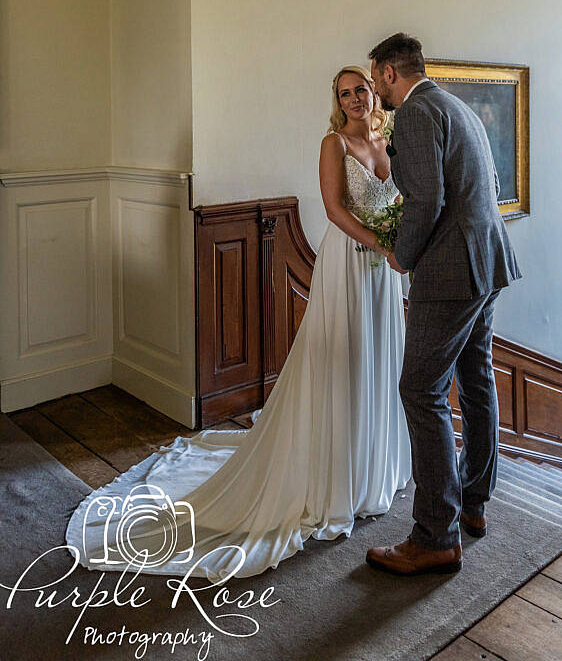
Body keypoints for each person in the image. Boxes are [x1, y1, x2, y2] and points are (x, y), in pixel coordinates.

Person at [65, 66, 411, 582]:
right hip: (352, 264)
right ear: (337, 102)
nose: (356, 98)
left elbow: (402, 198)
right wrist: (381, 242)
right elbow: (336, 210)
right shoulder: (332, 143)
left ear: (373, 90)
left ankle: (372, 468)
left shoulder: (389, 137)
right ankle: (337, 477)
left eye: (361, 88)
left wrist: (398, 237)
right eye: (345, 93)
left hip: (385, 271)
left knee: (378, 359)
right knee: (343, 359)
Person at [366, 33, 522, 576]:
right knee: (476, 379)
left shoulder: (414, 112)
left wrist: (403, 255)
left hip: (451, 272)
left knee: (421, 388)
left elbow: (426, 199)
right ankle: (473, 503)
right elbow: (484, 182)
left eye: (375, 79)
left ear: (389, 73)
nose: (377, 91)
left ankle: (435, 534)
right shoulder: (455, 104)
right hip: (489, 260)